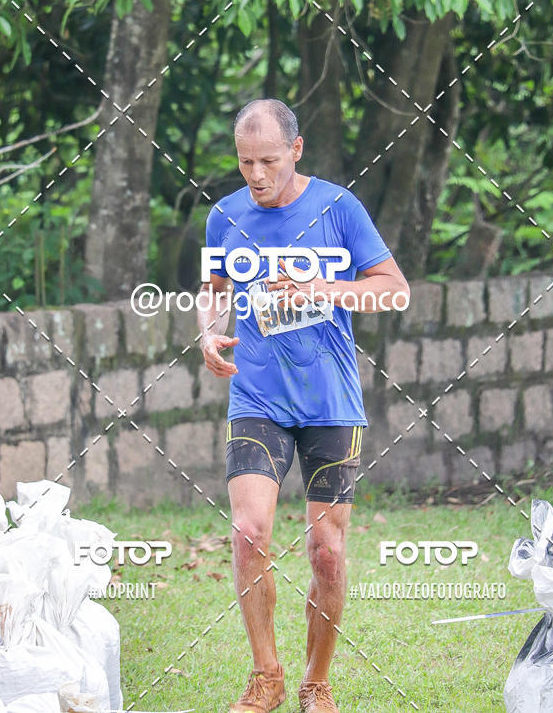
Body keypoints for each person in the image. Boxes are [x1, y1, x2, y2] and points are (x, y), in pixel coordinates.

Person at [197, 99, 409, 713]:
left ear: (296, 149)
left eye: (267, 160)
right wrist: (209, 333)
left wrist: (324, 288)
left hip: (329, 400)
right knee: (248, 531)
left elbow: (394, 291)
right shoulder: (226, 217)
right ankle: (267, 675)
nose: (256, 175)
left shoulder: (339, 210)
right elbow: (212, 294)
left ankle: (317, 681)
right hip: (258, 392)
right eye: (244, 163)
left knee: (327, 549)